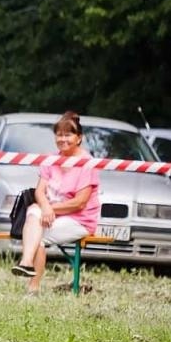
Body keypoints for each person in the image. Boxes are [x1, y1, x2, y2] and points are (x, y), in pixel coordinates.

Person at [12, 111, 100, 292]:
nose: (62, 139)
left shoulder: (87, 163)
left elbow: (79, 203)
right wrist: (45, 207)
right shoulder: (50, 159)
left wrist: (50, 209)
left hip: (79, 219)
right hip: (51, 214)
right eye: (59, 135)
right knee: (33, 210)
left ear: (79, 138)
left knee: (37, 237)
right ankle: (26, 262)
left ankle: (33, 287)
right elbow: (39, 191)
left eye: (68, 135)